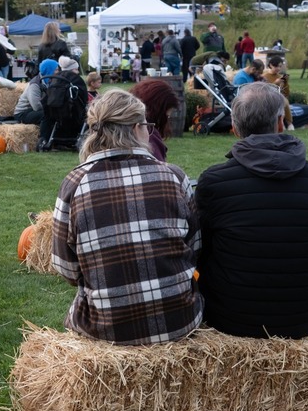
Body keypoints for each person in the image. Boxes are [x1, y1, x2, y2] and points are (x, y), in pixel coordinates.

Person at [51, 89, 202, 345]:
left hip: (105, 328)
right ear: (135, 128)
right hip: (179, 320)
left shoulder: (75, 183)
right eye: (147, 125)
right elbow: (195, 247)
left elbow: (65, 267)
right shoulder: (174, 176)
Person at [196, 82, 308, 339]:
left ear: (234, 127)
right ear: (279, 122)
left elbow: (201, 252)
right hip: (299, 316)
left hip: (229, 315)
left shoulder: (213, 182)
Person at [262, 55, 308, 129]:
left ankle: (291, 122)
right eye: (276, 66)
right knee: (285, 103)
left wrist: (285, 83)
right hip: (272, 104)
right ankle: (289, 123)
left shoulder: (280, 76)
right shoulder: (264, 77)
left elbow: (286, 94)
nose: (278, 68)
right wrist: (275, 83)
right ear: (270, 65)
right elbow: (264, 93)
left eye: (280, 66)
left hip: (283, 103)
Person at [129, 77, 180, 161]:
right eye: (167, 116)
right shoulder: (149, 134)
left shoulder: (120, 129)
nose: (168, 119)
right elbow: (160, 169)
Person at [13, 58, 57, 126]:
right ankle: (44, 136)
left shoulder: (49, 81)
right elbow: (36, 106)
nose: (58, 71)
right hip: (23, 113)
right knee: (47, 115)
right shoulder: (35, 84)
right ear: (49, 70)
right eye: (56, 69)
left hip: (33, 110)